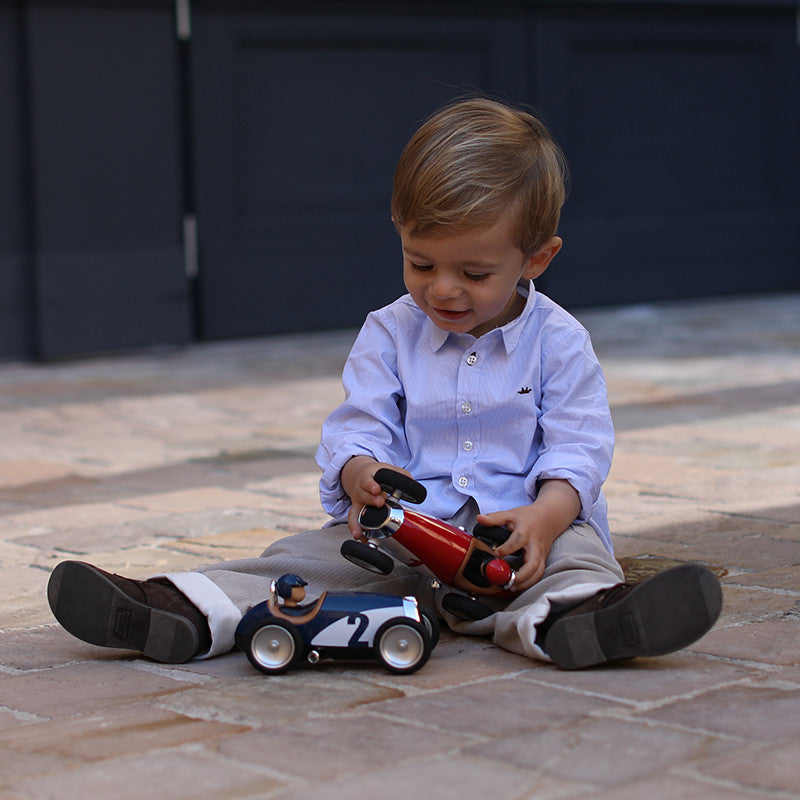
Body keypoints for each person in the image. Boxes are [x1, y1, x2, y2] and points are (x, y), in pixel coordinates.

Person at [47, 97, 721, 669]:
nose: (443, 289)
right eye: (420, 262)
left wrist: (546, 518)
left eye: (474, 273)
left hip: (513, 540)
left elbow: (579, 445)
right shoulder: (389, 332)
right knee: (305, 558)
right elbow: (359, 422)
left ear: (536, 258)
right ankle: (184, 608)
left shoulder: (560, 341)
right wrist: (359, 472)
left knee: (578, 557)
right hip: (403, 536)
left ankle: (578, 620)